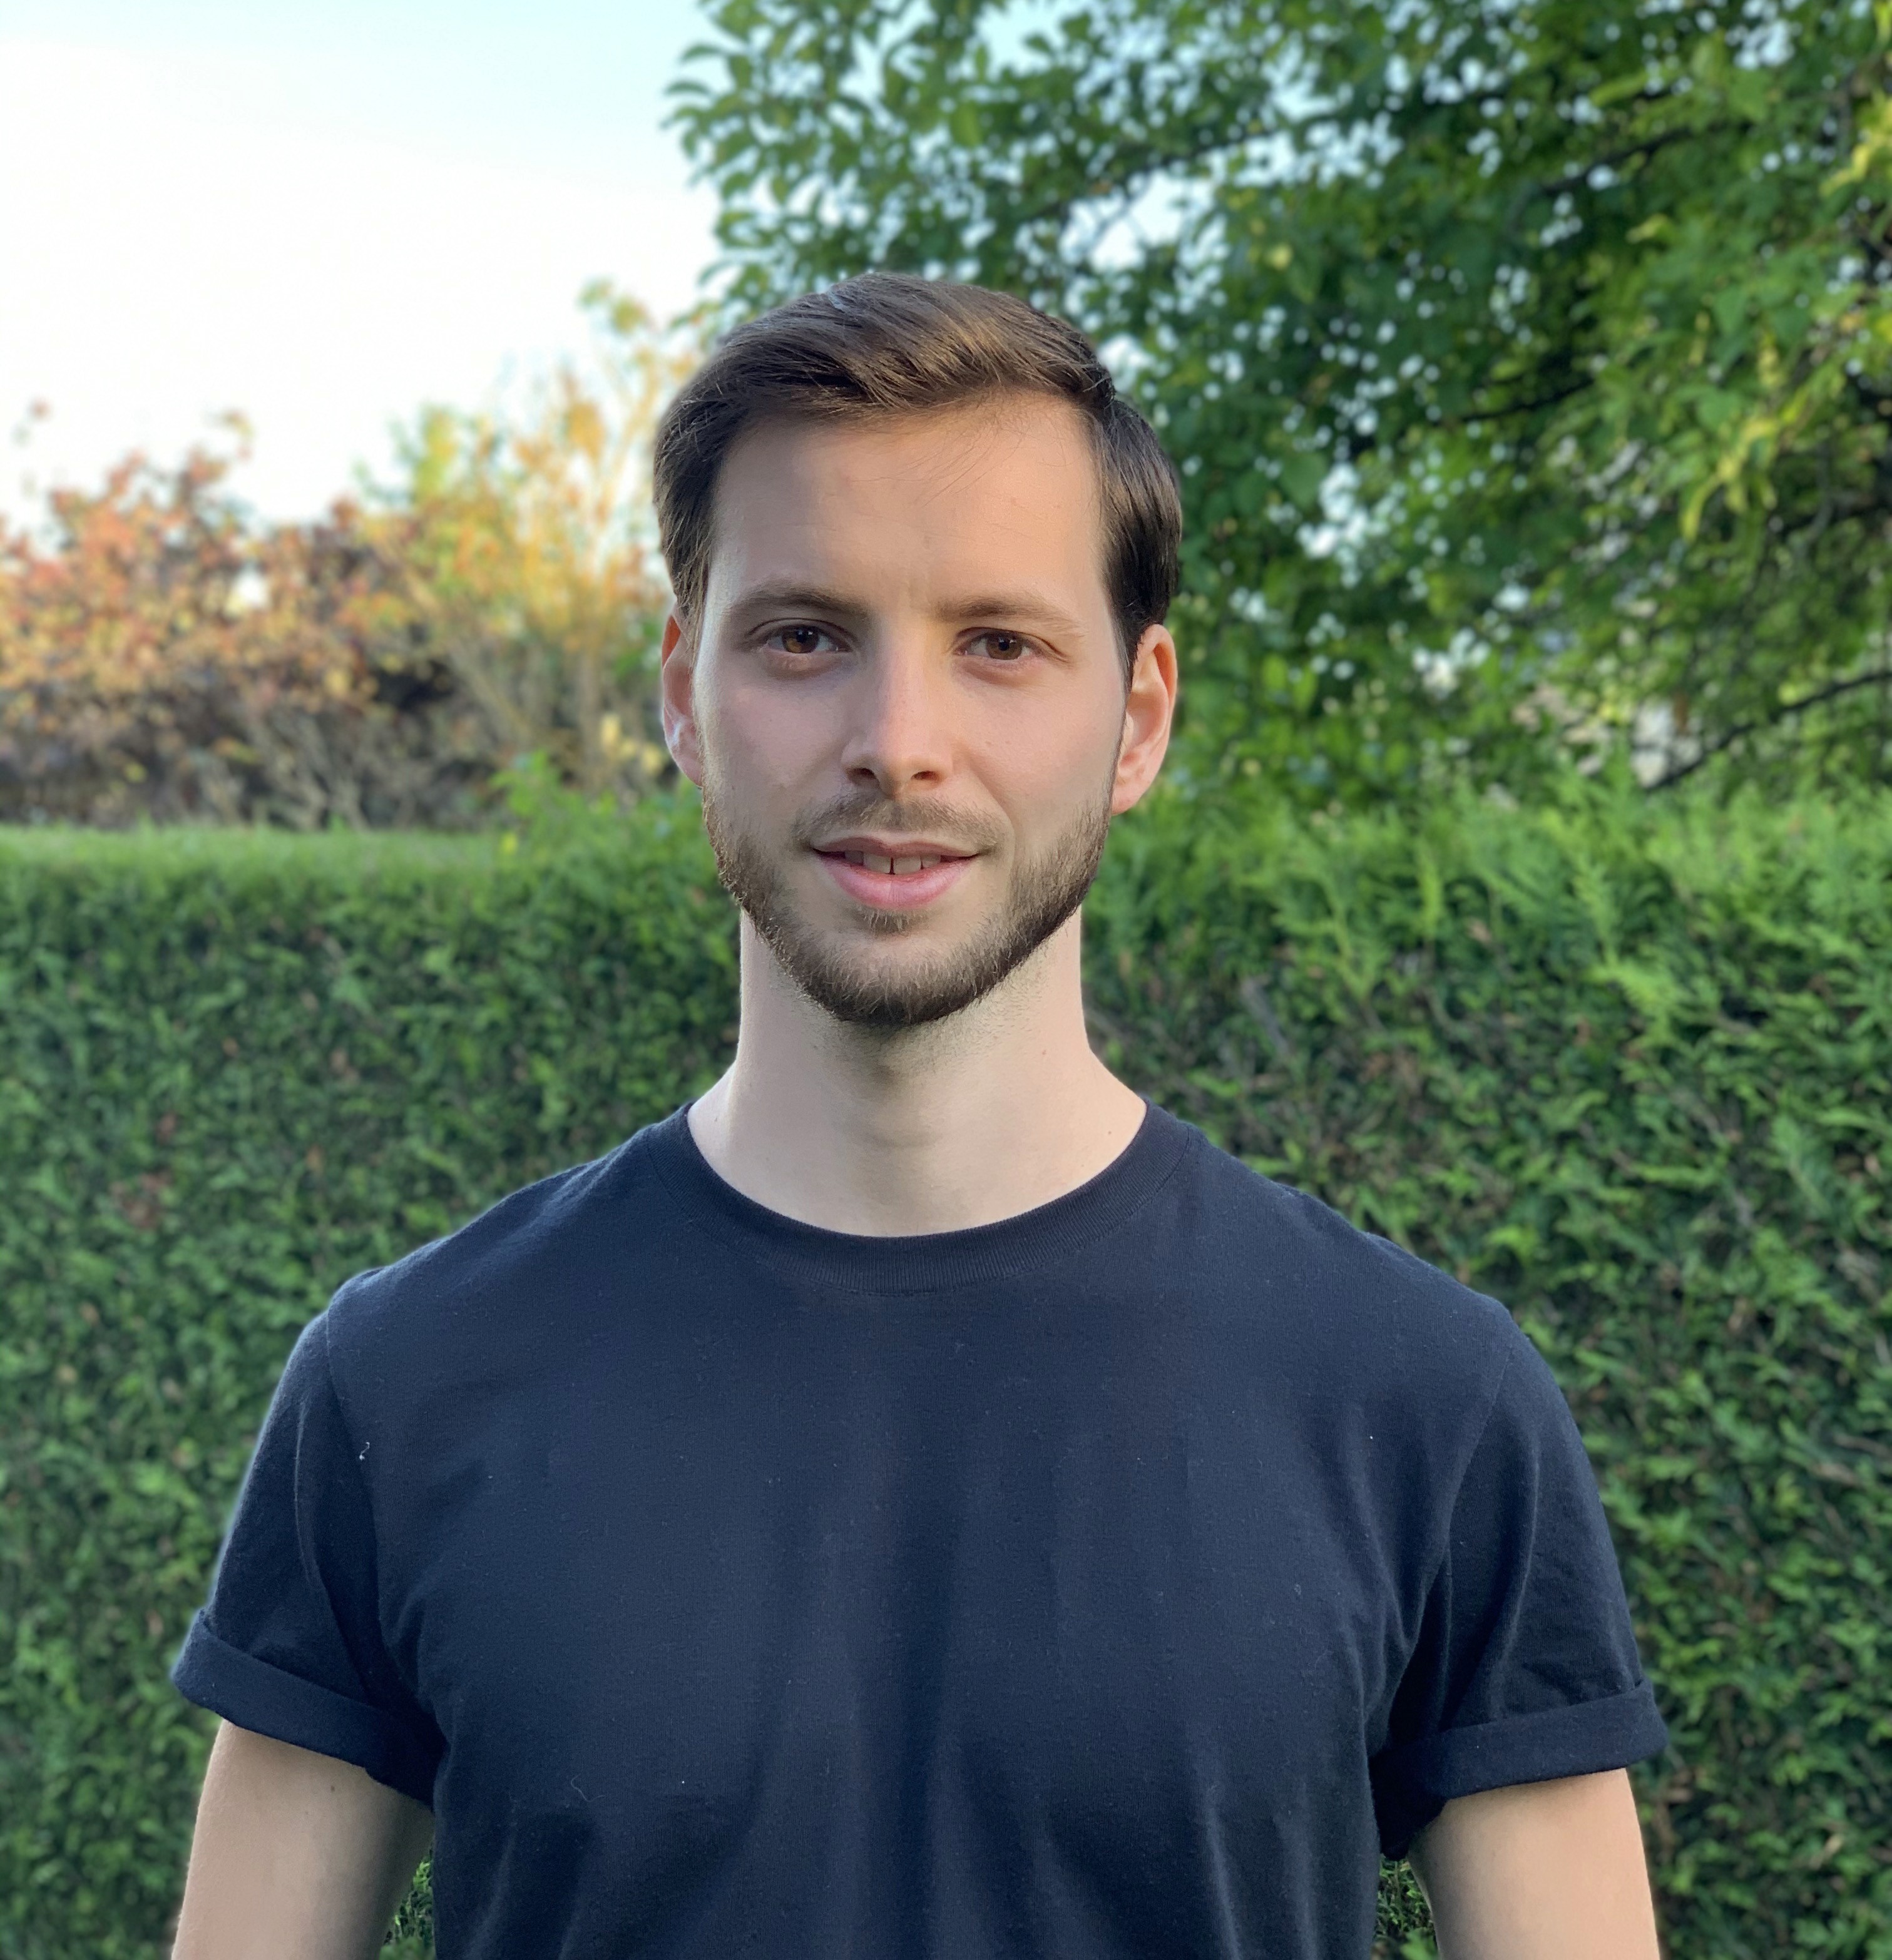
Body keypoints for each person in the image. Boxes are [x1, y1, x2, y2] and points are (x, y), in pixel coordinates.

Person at [168, 275, 1667, 1960]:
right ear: (683, 695)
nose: (898, 743)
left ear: (1139, 718)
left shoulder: (1424, 1400)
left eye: (1000, 644)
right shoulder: (402, 1382)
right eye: (805, 637)